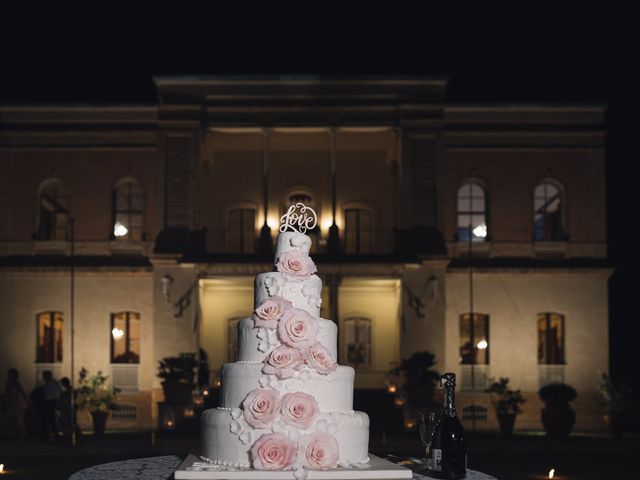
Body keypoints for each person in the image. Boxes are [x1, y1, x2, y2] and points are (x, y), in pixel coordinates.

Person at [5, 368, 29, 441]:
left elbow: (22, 391)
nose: (10, 375)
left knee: (18, 419)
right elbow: (7, 393)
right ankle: (14, 434)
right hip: (10, 401)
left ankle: (20, 435)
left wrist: (26, 400)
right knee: (11, 418)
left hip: (17, 402)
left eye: (11, 374)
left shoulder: (17, 383)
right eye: (9, 374)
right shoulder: (8, 382)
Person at [42, 370, 62, 440]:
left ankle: (54, 434)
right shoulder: (46, 384)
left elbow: (60, 392)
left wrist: (58, 402)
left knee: (52, 418)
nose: (43, 378)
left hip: (53, 401)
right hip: (48, 402)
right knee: (49, 418)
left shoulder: (54, 383)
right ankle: (50, 434)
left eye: (45, 376)